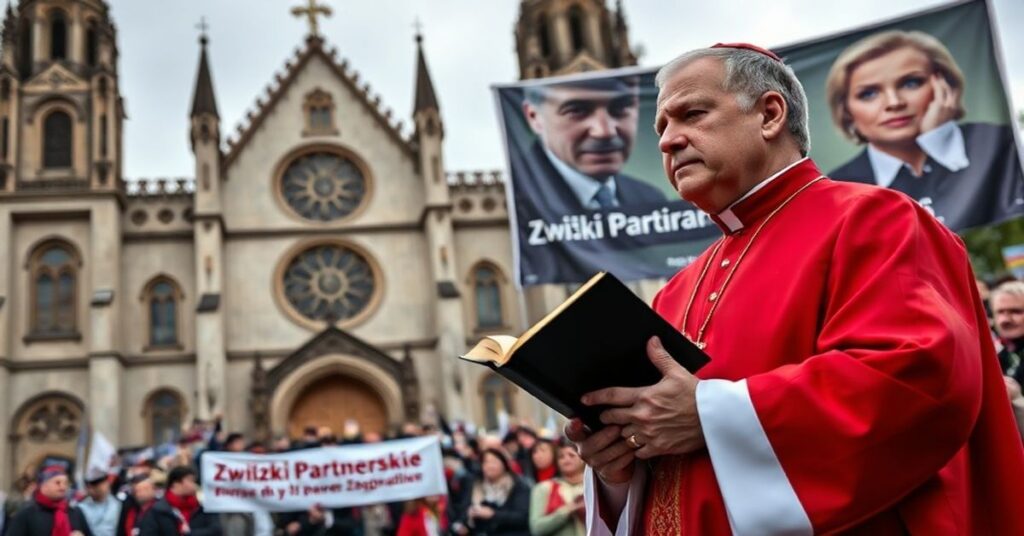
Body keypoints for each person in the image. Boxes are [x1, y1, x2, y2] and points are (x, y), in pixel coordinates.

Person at [566, 43, 1024, 534]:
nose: (668, 141)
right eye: (661, 128)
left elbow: (915, 381)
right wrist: (620, 466)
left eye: (691, 114)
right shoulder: (676, 289)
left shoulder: (877, 221)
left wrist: (709, 414)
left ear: (769, 114)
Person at [825, 30, 1024, 230]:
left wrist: (937, 141)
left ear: (946, 86)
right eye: (868, 94)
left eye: (911, 83)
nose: (894, 103)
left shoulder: (997, 141)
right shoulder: (837, 187)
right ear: (846, 110)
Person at [517, 77, 666, 214]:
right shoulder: (519, 202)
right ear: (534, 117)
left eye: (620, 108)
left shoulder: (651, 197)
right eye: (576, 111)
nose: (604, 132)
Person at [450, 449, 530, 536]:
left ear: (504, 464)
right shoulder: (473, 484)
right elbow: (462, 509)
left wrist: (493, 514)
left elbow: (522, 517)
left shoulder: (518, 485)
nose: (490, 466)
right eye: (486, 462)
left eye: (494, 462)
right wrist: (463, 525)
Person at [5, 465, 93, 536]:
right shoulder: (27, 514)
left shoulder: (75, 513)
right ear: (44, 485)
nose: (63, 487)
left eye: (66, 483)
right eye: (57, 482)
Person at [137, 466, 220, 535]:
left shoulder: (201, 508)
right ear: (176, 483)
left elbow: (216, 530)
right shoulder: (158, 511)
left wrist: (190, 534)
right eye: (190, 481)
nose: (194, 485)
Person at [528, 442, 585, 536]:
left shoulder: (595, 486)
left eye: (572, 455)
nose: (566, 459)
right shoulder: (543, 488)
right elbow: (536, 528)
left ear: (583, 459)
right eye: (561, 457)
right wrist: (566, 511)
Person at [78, 472, 122, 536]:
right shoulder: (81, 508)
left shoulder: (118, 505)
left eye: (105, 483)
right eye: (97, 486)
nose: (104, 487)